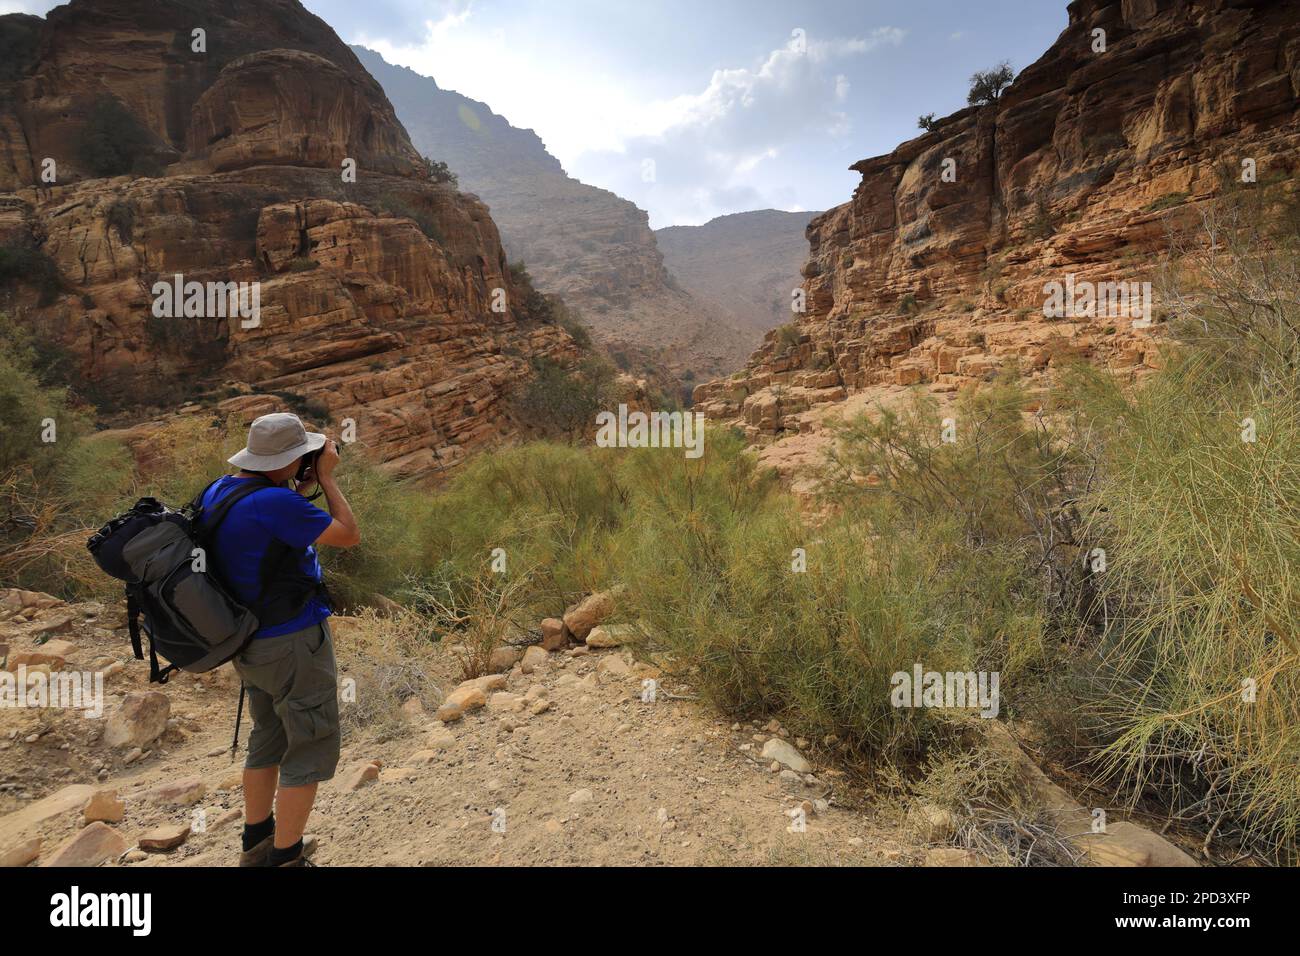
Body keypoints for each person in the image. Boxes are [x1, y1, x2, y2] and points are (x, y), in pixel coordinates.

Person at [198, 412, 361, 867]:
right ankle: (287, 856)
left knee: (268, 735)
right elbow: (348, 534)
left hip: (247, 642)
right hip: (291, 641)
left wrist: (298, 477)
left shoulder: (221, 490)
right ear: (290, 458)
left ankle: (256, 845)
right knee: (308, 741)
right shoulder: (274, 503)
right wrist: (326, 479)